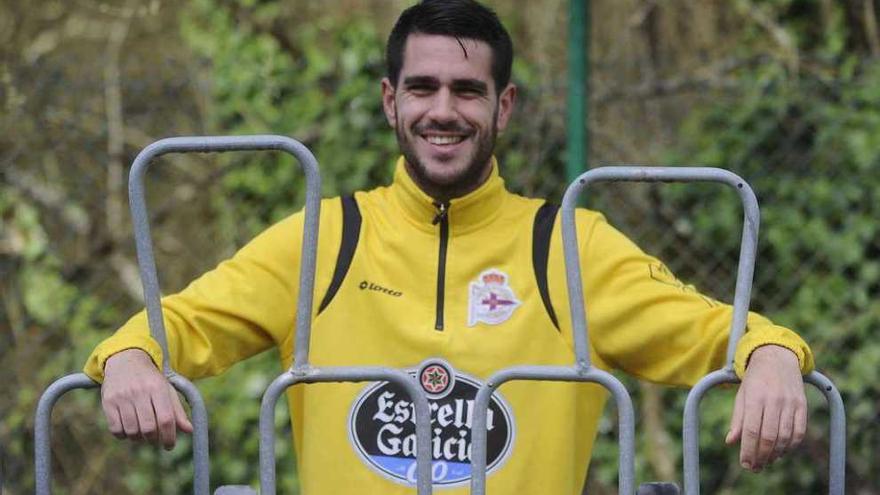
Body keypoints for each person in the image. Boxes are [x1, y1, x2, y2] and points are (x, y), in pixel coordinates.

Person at [83, 1, 813, 493]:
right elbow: (178, 321)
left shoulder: (565, 245)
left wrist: (772, 355)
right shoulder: (325, 238)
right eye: (423, 87)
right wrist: (130, 356)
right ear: (389, 100)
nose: (443, 110)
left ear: (504, 106)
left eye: (467, 90)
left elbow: (717, 331)